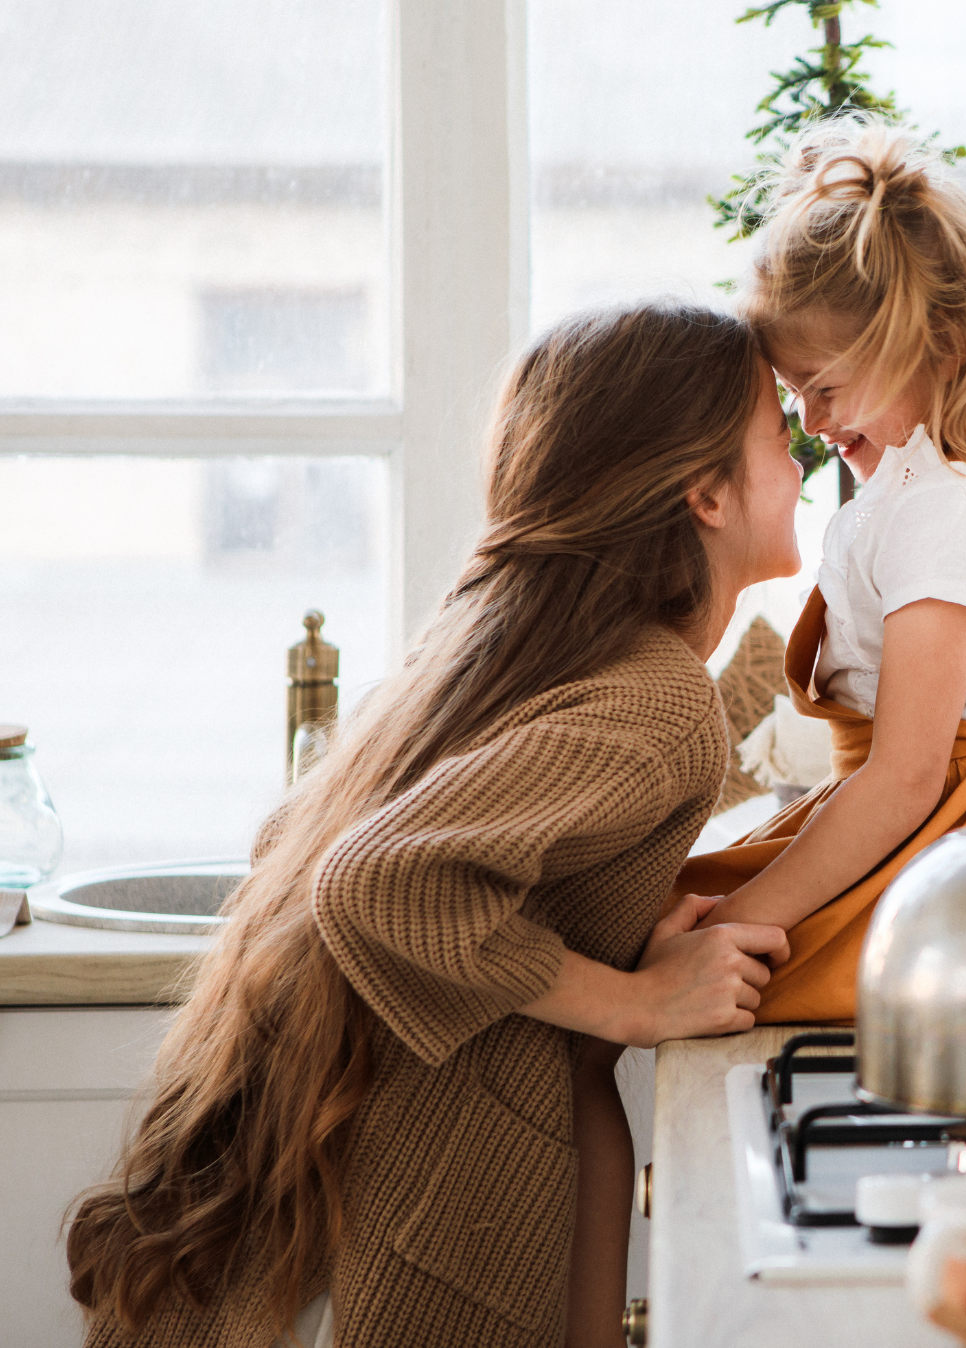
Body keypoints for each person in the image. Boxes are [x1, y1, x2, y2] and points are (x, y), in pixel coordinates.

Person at [66, 302, 797, 1348]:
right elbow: (381, 884)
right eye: (781, 433)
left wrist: (636, 948)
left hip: (423, 1178)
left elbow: (461, 857)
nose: (805, 458)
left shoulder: (516, 646)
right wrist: (633, 1001)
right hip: (455, 1198)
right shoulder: (659, 696)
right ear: (707, 492)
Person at [676, 116, 966, 1021]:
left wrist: (737, 921)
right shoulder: (917, 495)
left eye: (826, 387)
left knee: (695, 963)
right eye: (794, 392)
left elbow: (906, 776)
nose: (808, 421)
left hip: (963, 852)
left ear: (938, 348)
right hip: (930, 825)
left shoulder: (947, 509)